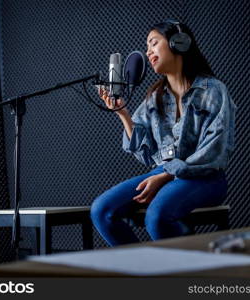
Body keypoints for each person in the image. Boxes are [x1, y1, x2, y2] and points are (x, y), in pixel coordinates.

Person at [90, 19, 237, 246]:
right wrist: (123, 114)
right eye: (147, 47)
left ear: (178, 43)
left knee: (157, 218)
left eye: (153, 43)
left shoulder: (213, 90)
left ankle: (188, 269)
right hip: (163, 173)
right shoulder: (155, 97)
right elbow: (146, 154)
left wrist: (167, 176)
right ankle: (144, 269)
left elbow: (214, 149)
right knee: (102, 211)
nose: (148, 52)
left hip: (204, 177)